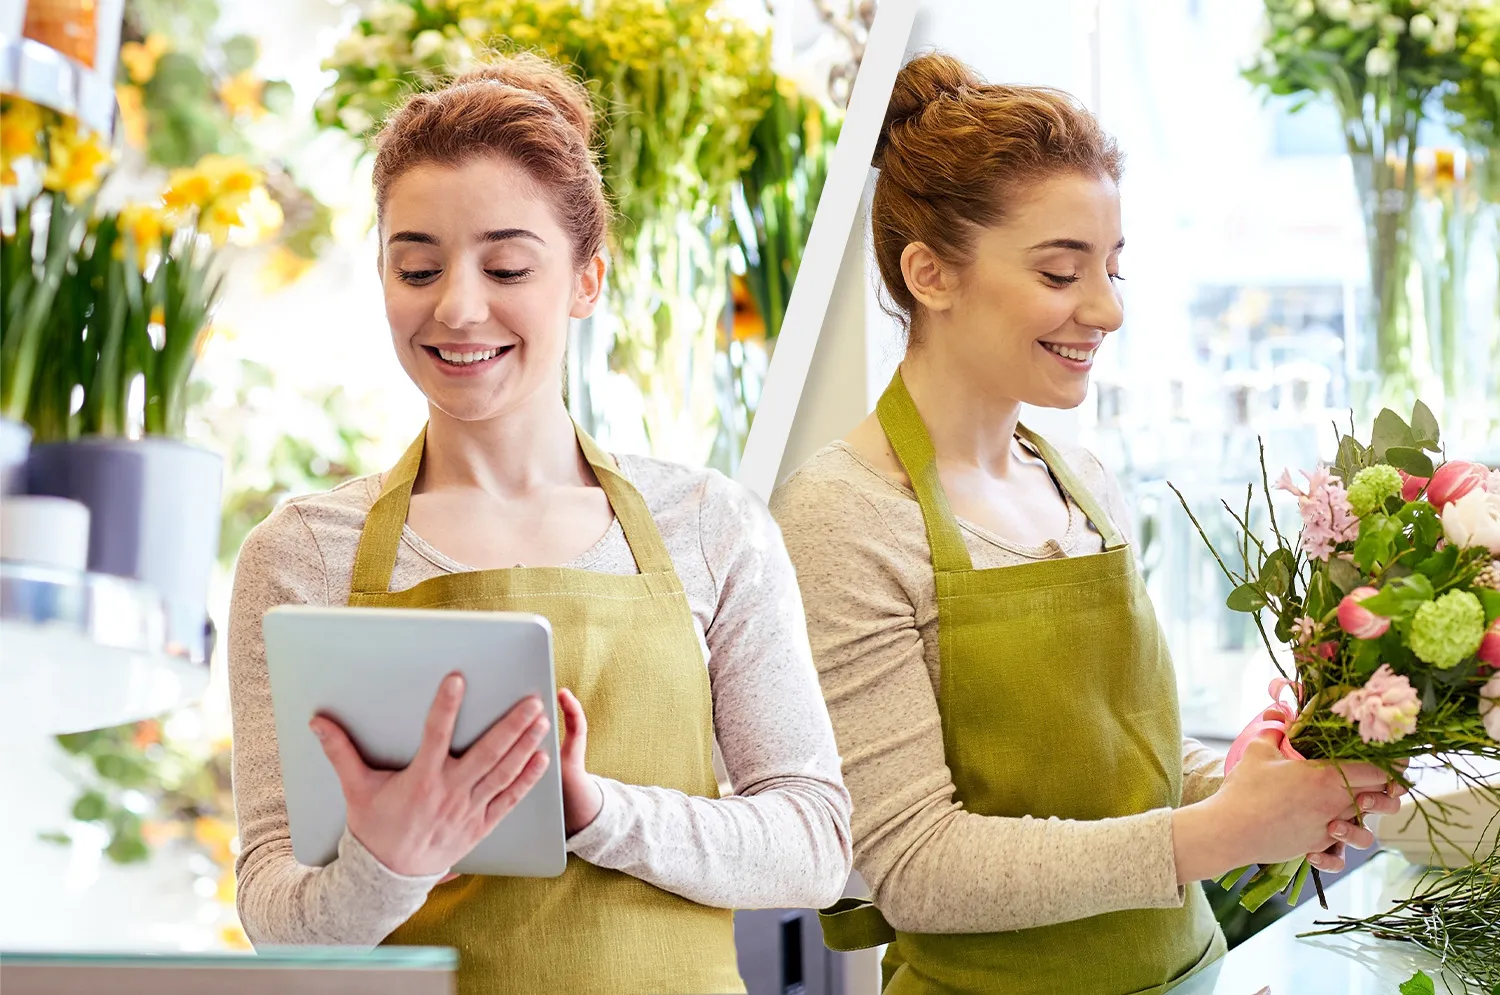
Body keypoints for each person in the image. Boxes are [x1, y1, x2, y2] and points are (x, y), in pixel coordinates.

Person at [768, 53, 1403, 995]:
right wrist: (1222, 831)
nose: (1106, 308)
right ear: (929, 272)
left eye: (1111, 267)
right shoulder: (842, 515)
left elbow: (1126, 774)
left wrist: (1254, 780)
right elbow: (916, 864)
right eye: (1062, 271)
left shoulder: (1082, 480)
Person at [227, 53, 852, 995]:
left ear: (586, 278)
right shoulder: (305, 552)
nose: (456, 306)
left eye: (507, 264)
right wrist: (386, 863)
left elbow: (814, 842)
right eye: (417, 266)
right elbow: (275, 911)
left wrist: (595, 811)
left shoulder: (711, 526)